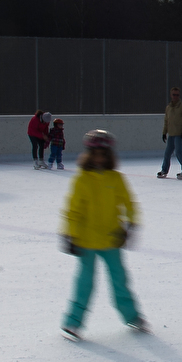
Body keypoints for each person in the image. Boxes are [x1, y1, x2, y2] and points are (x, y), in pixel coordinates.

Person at [58, 130, 147, 341]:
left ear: (109, 156)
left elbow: (129, 202)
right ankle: (73, 322)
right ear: (89, 154)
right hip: (86, 241)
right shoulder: (81, 179)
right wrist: (68, 235)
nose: (99, 157)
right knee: (84, 283)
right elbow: (72, 210)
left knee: (120, 281)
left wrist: (131, 224)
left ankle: (132, 316)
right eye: (95, 153)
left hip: (111, 240)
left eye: (103, 154)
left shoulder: (116, 178)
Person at [160, 87, 182, 179]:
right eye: (174, 95)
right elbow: (166, 121)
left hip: (179, 134)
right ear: (171, 95)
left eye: (177, 95)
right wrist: (164, 132)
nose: (175, 96)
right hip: (171, 134)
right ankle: (164, 170)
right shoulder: (168, 107)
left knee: (179, 152)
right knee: (167, 153)